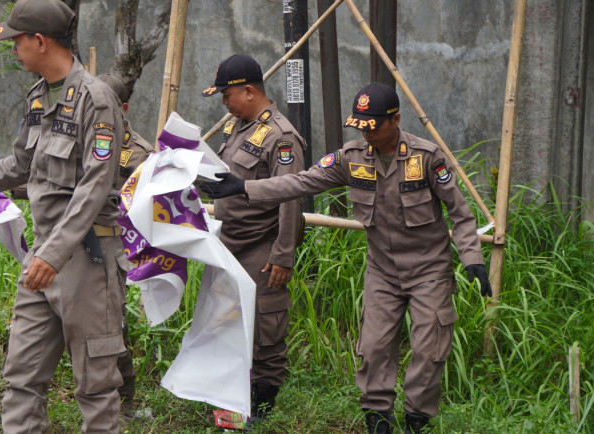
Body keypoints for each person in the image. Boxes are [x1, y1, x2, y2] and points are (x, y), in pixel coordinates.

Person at [200, 82, 493, 434]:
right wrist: (245, 187)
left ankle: (418, 417)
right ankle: (377, 418)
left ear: (395, 119)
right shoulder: (350, 158)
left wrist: (471, 256)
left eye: (374, 127)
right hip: (382, 271)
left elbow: (460, 213)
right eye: (361, 127)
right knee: (373, 348)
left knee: (429, 349)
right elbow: (300, 182)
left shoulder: (426, 158)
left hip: (428, 270)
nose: (366, 135)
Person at [0, 0, 128, 432]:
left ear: (40, 40)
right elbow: (17, 166)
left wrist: (50, 255)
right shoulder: (37, 97)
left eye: (16, 40)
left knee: (95, 386)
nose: (13, 48)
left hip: (84, 260)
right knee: (21, 378)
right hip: (41, 259)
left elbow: (93, 188)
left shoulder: (97, 100)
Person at [201, 54, 306, 427]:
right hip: (231, 243)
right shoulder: (237, 127)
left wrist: (283, 255)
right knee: (228, 324)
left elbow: (291, 198)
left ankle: (263, 405)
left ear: (248, 90)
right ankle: (230, 397)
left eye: (226, 95)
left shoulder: (281, 137)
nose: (224, 103)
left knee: (266, 329)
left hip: (262, 247)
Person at [96, 72, 155, 423]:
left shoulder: (140, 155)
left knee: (113, 329)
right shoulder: (82, 142)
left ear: (124, 109)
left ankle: (125, 404)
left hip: (115, 250)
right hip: (73, 246)